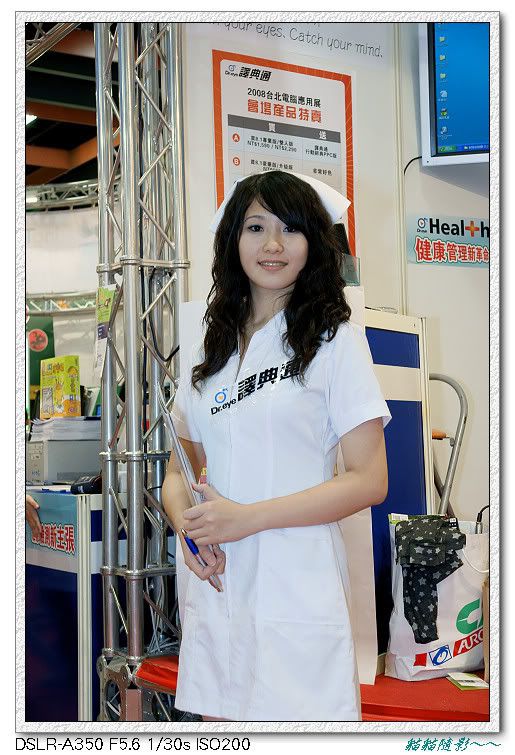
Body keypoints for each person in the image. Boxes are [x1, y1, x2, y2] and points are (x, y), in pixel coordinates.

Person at [162, 170, 391, 722]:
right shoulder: (209, 348)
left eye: (290, 229)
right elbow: (178, 471)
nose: (272, 244)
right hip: (220, 580)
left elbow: (370, 479)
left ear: (313, 242)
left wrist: (247, 519)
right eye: (255, 227)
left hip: (298, 581)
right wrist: (189, 531)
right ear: (232, 240)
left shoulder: (335, 341)